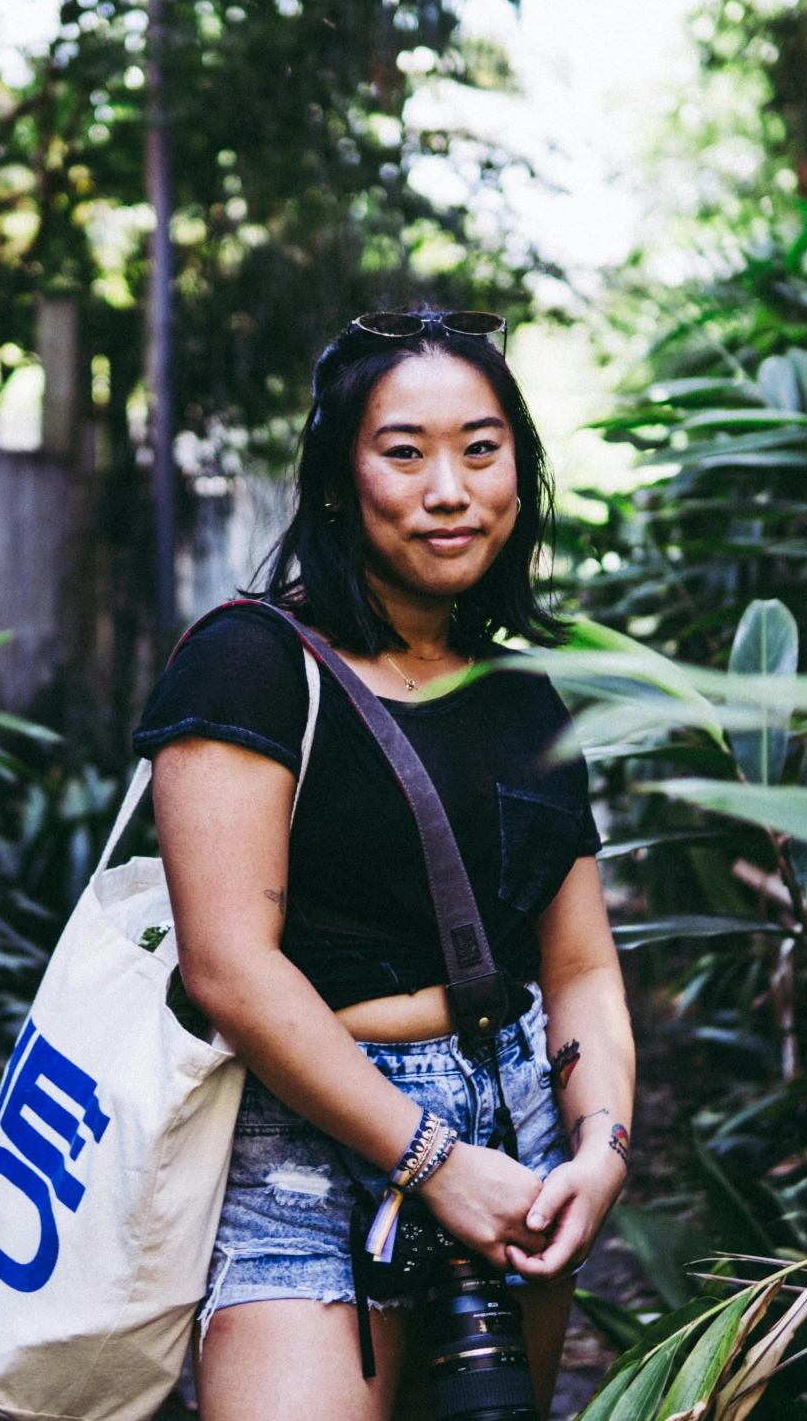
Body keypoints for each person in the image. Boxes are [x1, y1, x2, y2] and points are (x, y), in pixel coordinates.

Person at [134, 309, 635, 1419]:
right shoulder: (248, 665)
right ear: (335, 479)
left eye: (482, 447)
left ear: (520, 467)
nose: (448, 488)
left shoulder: (522, 695)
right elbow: (227, 967)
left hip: (518, 1124)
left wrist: (598, 1148)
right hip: (313, 1132)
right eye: (403, 451)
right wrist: (433, 1161)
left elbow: (581, 967)